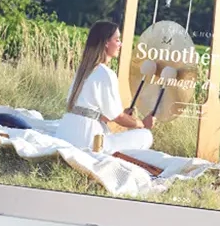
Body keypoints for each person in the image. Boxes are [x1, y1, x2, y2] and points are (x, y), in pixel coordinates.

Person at [56, 21, 154, 153]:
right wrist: (142, 124)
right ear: (106, 43)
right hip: (87, 141)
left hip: (65, 133)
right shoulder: (106, 74)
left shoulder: (83, 70)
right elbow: (117, 118)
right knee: (146, 136)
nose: (121, 44)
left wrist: (124, 115)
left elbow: (94, 113)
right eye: (117, 40)